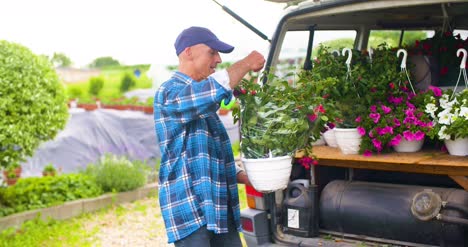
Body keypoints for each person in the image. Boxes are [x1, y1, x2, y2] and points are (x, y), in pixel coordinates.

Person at [153, 26, 265, 246]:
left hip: (220, 209)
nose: (218, 59)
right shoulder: (169, 92)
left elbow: (213, 156)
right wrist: (244, 64)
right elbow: (207, 93)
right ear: (188, 52)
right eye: (212, 52)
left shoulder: (205, 105)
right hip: (191, 211)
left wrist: (248, 176)